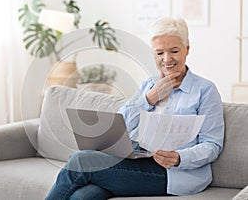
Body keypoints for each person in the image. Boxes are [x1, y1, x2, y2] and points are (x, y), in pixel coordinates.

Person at [45, 17, 224, 200]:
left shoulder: (205, 90)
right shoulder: (149, 84)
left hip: (176, 174)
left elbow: (213, 145)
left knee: (81, 160)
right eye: (159, 53)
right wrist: (149, 98)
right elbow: (121, 124)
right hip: (139, 160)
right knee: (82, 196)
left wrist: (179, 157)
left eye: (174, 51)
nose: (167, 59)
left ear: (187, 49)